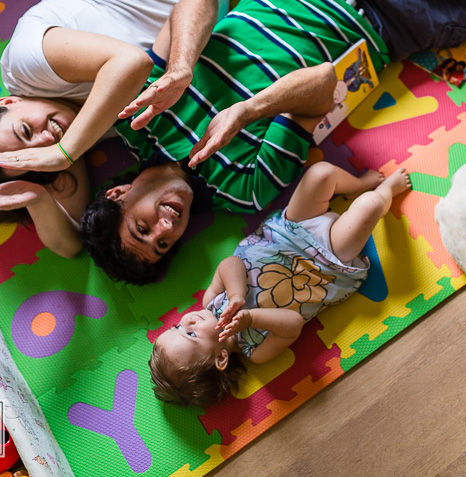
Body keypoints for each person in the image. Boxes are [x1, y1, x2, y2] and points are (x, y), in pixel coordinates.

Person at [0, 0, 466, 281]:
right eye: (165, 244)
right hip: (389, 26)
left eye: (144, 228)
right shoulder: (243, 190)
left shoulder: (137, 119)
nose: (166, 227)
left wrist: (182, 67)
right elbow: (323, 84)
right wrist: (248, 110)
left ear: (116, 196)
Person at [149, 163, 412, 406]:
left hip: (288, 231)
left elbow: (230, 264)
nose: (188, 321)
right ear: (220, 358)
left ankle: (354, 183)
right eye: (191, 334)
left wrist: (237, 293)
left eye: (176, 326)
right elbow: (293, 324)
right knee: (369, 207)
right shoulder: (255, 350)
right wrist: (250, 318)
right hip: (328, 264)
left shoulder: (212, 303)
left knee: (320, 174)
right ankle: (386, 190)